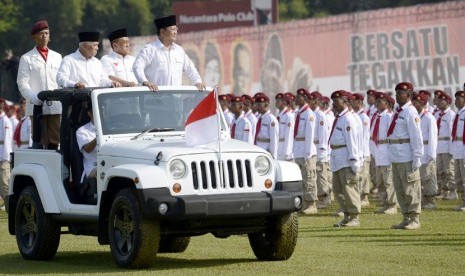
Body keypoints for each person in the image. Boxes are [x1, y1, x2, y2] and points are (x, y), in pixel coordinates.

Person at [17, 20, 62, 150]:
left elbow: (61, 80)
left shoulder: (57, 57)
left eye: (46, 33)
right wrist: (33, 97)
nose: (44, 36)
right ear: (34, 37)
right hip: (36, 105)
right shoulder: (27, 58)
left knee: (55, 140)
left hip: (55, 105)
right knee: (39, 141)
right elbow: (22, 82)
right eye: (41, 34)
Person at [133, 15, 205, 91]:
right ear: (162, 32)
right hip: (155, 98)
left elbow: (190, 68)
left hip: (176, 99)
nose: (175, 32)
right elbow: (137, 66)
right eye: (172, 29)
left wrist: (198, 81)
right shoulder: (150, 49)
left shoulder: (179, 50)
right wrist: (145, 82)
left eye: (176, 29)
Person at [388, 82, 423, 230]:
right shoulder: (398, 111)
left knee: (411, 189)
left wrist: (417, 157)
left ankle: (414, 219)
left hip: (407, 156)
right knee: (400, 190)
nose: (397, 96)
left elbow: (416, 137)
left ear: (408, 95)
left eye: (400, 93)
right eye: (396, 93)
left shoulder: (410, 112)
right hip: (396, 156)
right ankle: (406, 217)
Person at [329, 90, 362, 227]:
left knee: (349, 189)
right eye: (334, 101)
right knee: (338, 190)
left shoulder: (348, 119)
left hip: (346, 158)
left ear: (346, 102)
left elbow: (352, 141)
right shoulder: (340, 118)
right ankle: (347, 216)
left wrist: (354, 160)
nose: (334, 104)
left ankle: (354, 217)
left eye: (337, 101)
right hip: (337, 158)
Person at [292, 88, 318, 214]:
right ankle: (302, 203)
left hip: (306, 151)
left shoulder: (309, 114)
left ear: (305, 99)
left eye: (299, 97)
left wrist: (307, 153)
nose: (296, 99)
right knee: (300, 179)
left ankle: (311, 204)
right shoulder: (298, 113)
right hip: (298, 149)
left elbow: (309, 134)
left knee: (309, 178)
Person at [372, 92, 398, 214]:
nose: (377, 104)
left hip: (386, 151)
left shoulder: (389, 116)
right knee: (380, 182)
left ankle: (392, 205)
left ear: (387, 104)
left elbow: (391, 136)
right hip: (378, 151)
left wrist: (391, 154)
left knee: (389, 181)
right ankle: (385, 203)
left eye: (380, 102)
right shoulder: (377, 117)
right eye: (376, 101)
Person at [411, 92, 438, 210]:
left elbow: (433, 137)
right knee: (420, 177)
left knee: (429, 177)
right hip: (418, 151)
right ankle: (423, 199)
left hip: (427, 150)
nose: (414, 104)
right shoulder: (416, 117)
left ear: (422, 103)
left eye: (416, 102)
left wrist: (431, 154)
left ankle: (431, 200)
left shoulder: (429, 117)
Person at [308, 91, 331, 208]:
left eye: (311, 100)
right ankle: (320, 197)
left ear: (316, 102)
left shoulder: (320, 115)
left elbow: (323, 134)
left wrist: (322, 149)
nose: (309, 102)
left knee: (321, 175)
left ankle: (324, 198)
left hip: (320, 147)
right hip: (313, 147)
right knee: (315, 175)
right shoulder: (312, 113)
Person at [433, 91, 456, 200]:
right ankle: (444, 190)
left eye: (442, 101)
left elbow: (453, 132)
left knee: (449, 170)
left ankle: (453, 191)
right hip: (439, 145)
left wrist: (452, 148)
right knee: (440, 170)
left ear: (447, 102)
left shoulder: (451, 114)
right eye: (439, 101)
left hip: (447, 145)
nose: (439, 103)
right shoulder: (437, 114)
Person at [351, 93, 371, 207]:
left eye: (353, 101)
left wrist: (362, 154)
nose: (351, 103)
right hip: (359, 152)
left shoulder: (363, 117)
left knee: (363, 176)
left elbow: (364, 137)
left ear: (358, 102)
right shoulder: (356, 115)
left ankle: (364, 198)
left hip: (363, 151)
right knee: (359, 176)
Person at [451, 91, 465, 211]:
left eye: (458, 99)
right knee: (459, 178)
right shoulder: (459, 114)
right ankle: (463, 201)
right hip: (458, 148)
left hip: (464, 147)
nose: (455, 101)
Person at [253, 92, 279, 159]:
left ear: (266, 104)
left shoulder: (271, 119)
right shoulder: (259, 117)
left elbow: (274, 138)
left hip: (266, 151)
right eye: (256, 105)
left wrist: (273, 155)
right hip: (258, 148)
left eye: (259, 105)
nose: (257, 107)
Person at [76, 104, 97, 183]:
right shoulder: (82, 131)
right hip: (93, 169)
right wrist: (99, 136)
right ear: (89, 113)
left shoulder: (111, 128)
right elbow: (87, 149)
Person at [0, 99, 13, 209]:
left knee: (5, 180)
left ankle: (8, 203)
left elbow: (7, 140)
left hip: (3, 155)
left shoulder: (5, 121)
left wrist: (6, 157)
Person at [275, 93, 294, 161]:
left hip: (284, 148)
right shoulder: (278, 116)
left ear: (284, 102)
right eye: (276, 100)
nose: (276, 102)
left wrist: (287, 152)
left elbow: (289, 135)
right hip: (278, 147)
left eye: (279, 101)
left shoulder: (288, 116)